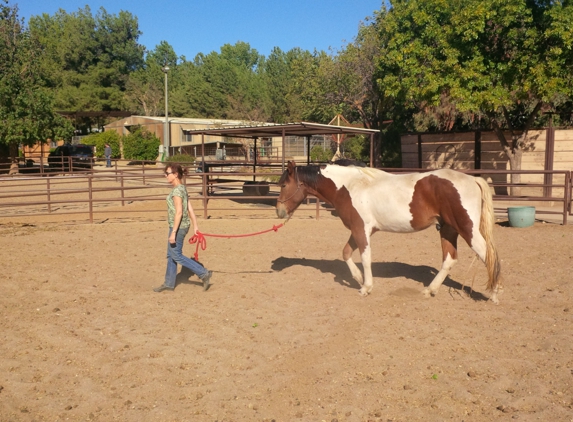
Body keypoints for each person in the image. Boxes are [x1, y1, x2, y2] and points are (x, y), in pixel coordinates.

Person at [153, 163, 212, 292]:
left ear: (175, 174)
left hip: (178, 227)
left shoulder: (177, 191)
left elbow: (179, 212)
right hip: (181, 226)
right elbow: (189, 207)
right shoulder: (182, 188)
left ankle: (203, 273)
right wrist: (195, 226)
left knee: (177, 255)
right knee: (171, 255)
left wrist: (173, 232)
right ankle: (169, 283)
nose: (166, 176)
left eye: (167, 173)